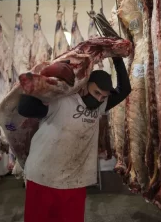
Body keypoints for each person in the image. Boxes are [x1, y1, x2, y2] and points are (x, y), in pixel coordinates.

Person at [18, 57, 131, 222]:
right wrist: (48, 72)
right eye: (96, 93)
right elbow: (24, 108)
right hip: (43, 177)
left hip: (75, 180)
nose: (99, 99)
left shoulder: (100, 105)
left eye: (103, 96)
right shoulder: (62, 99)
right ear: (85, 85)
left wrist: (117, 59)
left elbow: (125, 89)